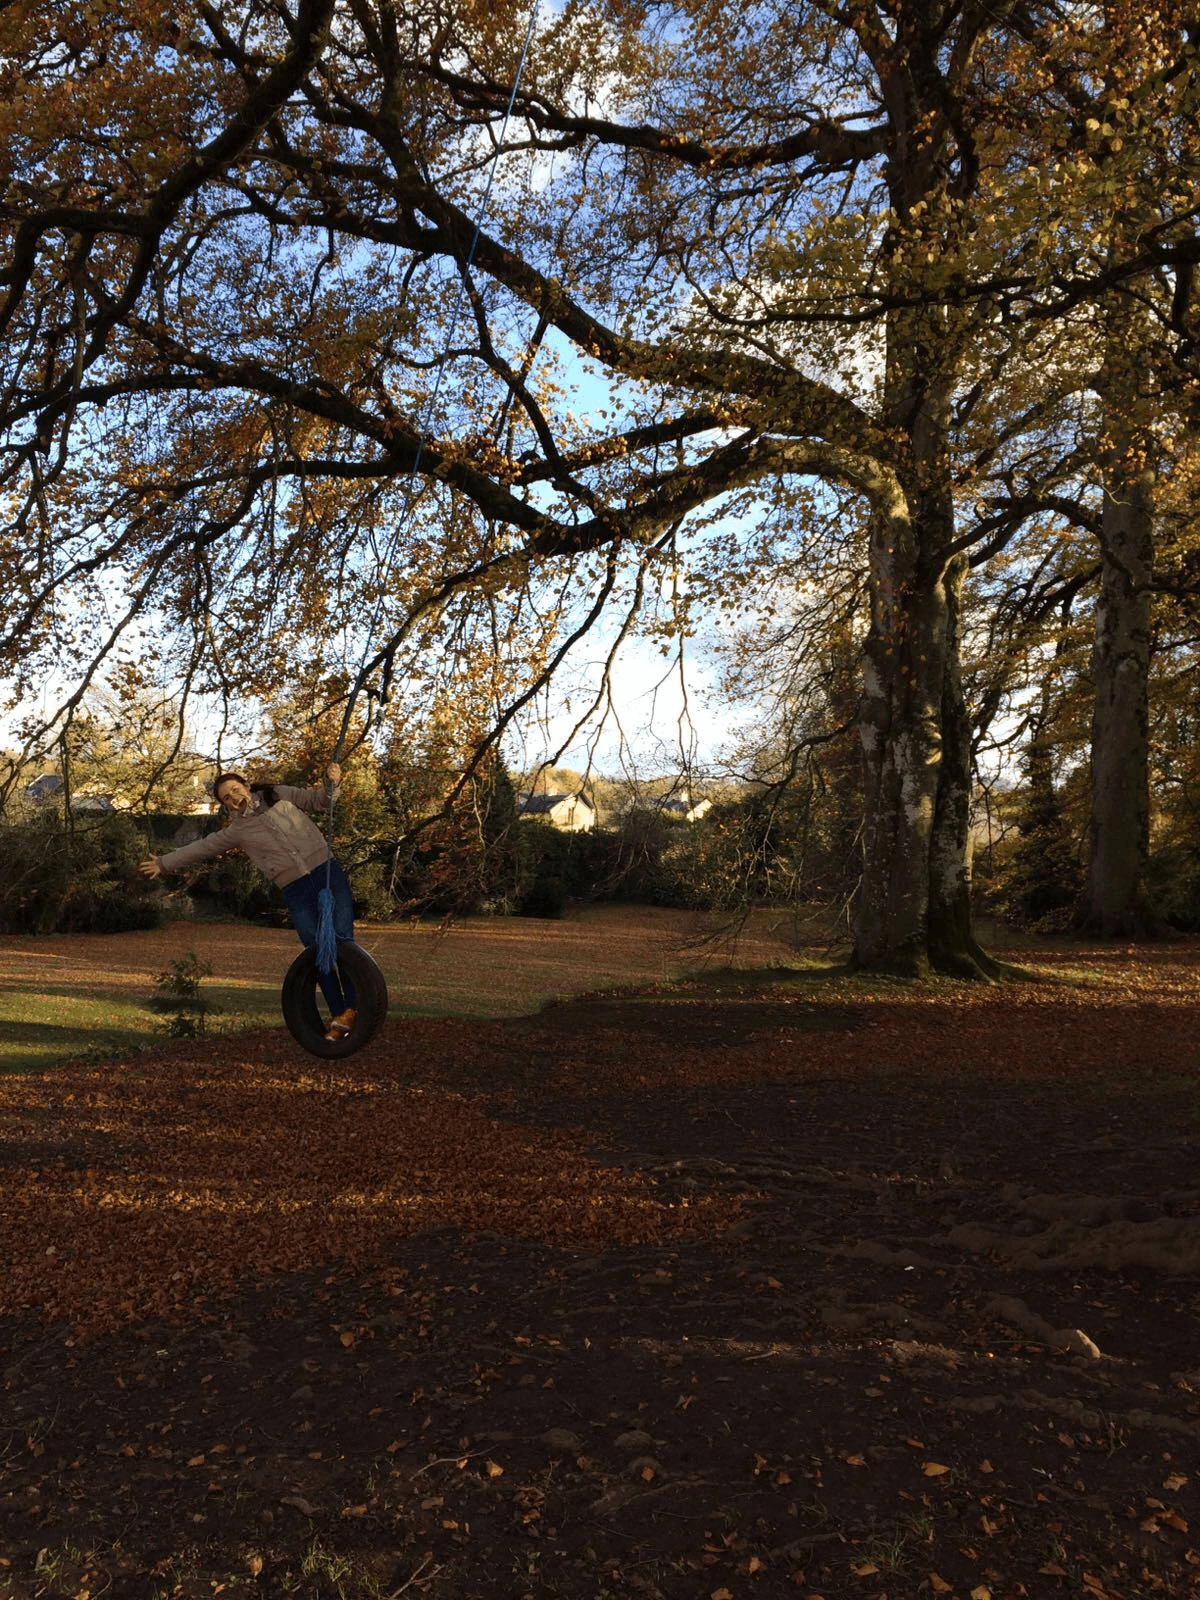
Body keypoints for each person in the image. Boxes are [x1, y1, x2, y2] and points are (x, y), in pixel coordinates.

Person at [139, 763, 358, 1040]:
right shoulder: (237, 831)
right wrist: (164, 862)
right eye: (226, 798)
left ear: (246, 785)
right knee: (317, 947)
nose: (233, 797)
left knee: (342, 939)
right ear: (226, 805)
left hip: (326, 872)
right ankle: (340, 1014)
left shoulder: (278, 795)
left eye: (235, 789)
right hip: (294, 887)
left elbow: (320, 801)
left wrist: (331, 784)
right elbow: (203, 847)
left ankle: (353, 1008)